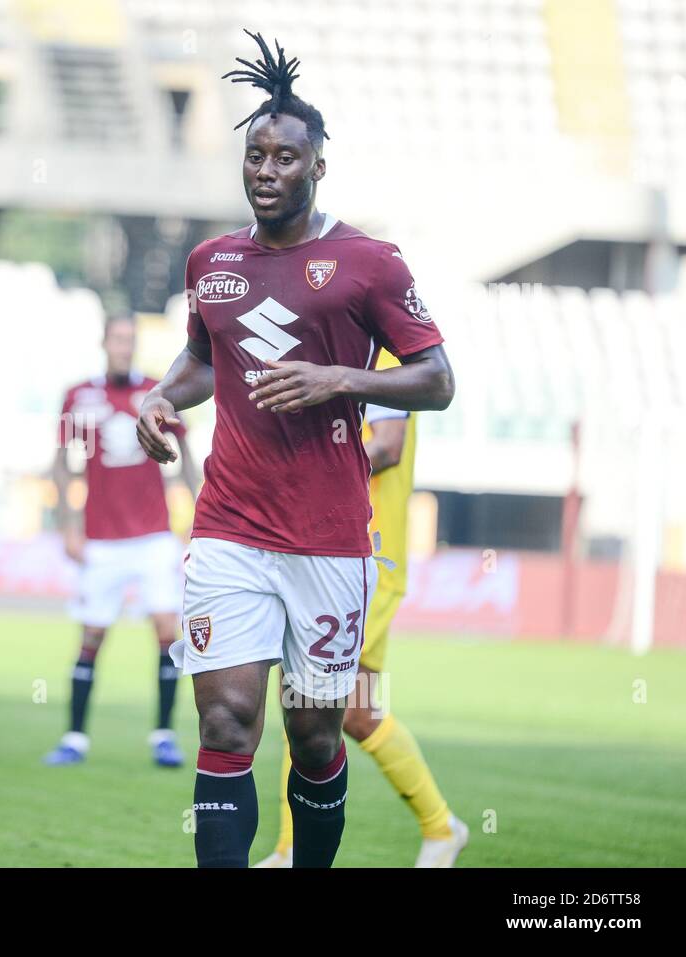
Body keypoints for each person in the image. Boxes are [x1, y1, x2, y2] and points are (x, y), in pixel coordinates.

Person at [135, 31, 454, 867]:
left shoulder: (368, 264)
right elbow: (205, 360)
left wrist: (340, 380)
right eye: (256, 155)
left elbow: (436, 379)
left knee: (314, 735)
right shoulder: (212, 262)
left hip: (328, 541)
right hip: (229, 530)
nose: (267, 169)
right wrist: (161, 397)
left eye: (286, 156)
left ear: (318, 168)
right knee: (226, 719)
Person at [256, 349, 468, 868]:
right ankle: (442, 828)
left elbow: (388, 447)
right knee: (355, 711)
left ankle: (289, 851)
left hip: (370, 558)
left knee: (311, 696)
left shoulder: (387, 358)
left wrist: (303, 480)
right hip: (334, 558)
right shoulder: (340, 355)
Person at [45, 312, 200, 768]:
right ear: (103, 341)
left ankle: (164, 736)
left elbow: (185, 457)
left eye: (130, 340)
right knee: (92, 635)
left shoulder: (156, 392)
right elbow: (60, 462)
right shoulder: (80, 395)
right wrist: (68, 524)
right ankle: (74, 737)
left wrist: (199, 512)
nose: (123, 347)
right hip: (101, 538)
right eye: (117, 338)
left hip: (153, 535)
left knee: (167, 633)